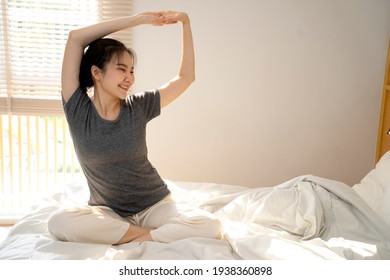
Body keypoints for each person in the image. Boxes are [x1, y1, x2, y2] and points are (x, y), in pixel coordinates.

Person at [48, 11, 222, 244]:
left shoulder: (138, 106)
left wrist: (185, 22)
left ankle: (134, 236)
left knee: (212, 225)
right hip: (109, 212)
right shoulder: (78, 110)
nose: (130, 77)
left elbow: (185, 77)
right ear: (96, 73)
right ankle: (146, 236)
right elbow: (75, 39)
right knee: (59, 222)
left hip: (155, 206)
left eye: (132, 70)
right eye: (122, 69)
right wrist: (137, 20)